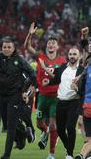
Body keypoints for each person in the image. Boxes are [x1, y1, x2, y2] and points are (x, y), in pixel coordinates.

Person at [0, 29, 36, 159]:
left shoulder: (19, 60)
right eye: (4, 47)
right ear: (2, 48)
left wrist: (27, 89)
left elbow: (32, 74)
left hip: (15, 95)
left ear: (14, 48)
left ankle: (6, 155)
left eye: (9, 47)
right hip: (1, 96)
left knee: (10, 127)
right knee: (7, 123)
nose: (7, 49)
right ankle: (24, 133)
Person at [24, 22, 66, 159]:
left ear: (57, 46)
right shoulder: (40, 56)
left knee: (54, 125)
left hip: (56, 97)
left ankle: (51, 153)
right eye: (49, 43)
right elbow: (27, 47)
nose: (51, 44)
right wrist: (30, 34)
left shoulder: (62, 61)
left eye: (54, 43)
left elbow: (60, 78)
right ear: (47, 45)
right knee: (39, 124)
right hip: (42, 96)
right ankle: (45, 131)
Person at [41, 47, 84, 159]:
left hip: (74, 102)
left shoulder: (82, 70)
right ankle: (68, 148)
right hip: (60, 102)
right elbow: (56, 79)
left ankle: (69, 154)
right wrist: (48, 82)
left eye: (74, 54)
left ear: (78, 56)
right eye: (70, 54)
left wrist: (77, 89)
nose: (72, 56)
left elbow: (84, 89)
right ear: (68, 55)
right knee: (60, 130)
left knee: (70, 127)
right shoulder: (63, 67)